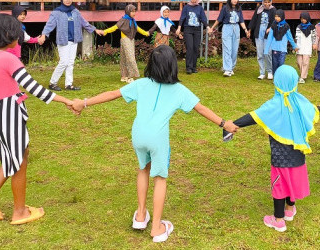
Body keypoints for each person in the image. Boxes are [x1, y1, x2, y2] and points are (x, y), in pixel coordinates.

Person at [71, 45, 238, 243]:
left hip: (138, 135)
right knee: (160, 177)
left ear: (151, 65)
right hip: (158, 139)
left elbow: (112, 94)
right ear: (172, 66)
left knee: (143, 169)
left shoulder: (140, 84)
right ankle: (157, 227)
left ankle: (141, 216)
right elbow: (201, 109)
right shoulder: (179, 90)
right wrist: (223, 123)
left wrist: (84, 102)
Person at [0, 14, 76, 225]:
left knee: (14, 157)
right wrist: (66, 100)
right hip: (10, 112)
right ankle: (18, 211)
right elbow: (34, 88)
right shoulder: (10, 59)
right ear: (9, 35)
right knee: (18, 161)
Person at [225, 65, 320, 232]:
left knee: (280, 184)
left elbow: (253, 117)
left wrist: (232, 124)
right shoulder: (301, 102)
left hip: (279, 157)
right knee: (293, 181)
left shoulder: (273, 105)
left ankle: (278, 220)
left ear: (276, 83)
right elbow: (317, 110)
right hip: (298, 155)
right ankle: (289, 210)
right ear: (295, 83)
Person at [38, 0, 105, 91]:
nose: (68, 0)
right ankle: (52, 83)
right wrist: (44, 35)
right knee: (63, 62)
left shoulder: (75, 11)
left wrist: (95, 30)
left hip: (74, 40)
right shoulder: (56, 12)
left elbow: (84, 23)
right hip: (63, 41)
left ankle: (68, 84)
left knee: (70, 62)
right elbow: (49, 25)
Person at [104, 4, 150, 82]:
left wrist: (145, 33)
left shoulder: (132, 21)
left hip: (130, 40)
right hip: (125, 40)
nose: (134, 13)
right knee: (130, 58)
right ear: (128, 11)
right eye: (132, 11)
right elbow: (115, 27)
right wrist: (105, 31)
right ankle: (130, 76)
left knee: (124, 58)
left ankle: (124, 76)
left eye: (135, 11)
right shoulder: (123, 20)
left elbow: (137, 28)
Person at [208, 0, 248, 77]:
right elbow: (219, 19)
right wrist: (212, 28)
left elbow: (241, 20)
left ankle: (231, 67)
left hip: (236, 28)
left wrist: (245, 29)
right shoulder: (225, 8)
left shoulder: (239, 8)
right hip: (227, 28)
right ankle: (227, 69)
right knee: (227, 49)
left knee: (234, 50)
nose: (235, 0)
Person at [175, 0, 208, 74]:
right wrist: (179, 28)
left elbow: (203, 19)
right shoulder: (186, 7)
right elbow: (182, 18)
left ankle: (194, 67)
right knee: (190, 48)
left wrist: (208, 27)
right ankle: (188, 68)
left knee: (195, 48)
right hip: (188, 29)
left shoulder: (200, 8)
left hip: (197, 30)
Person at [249, 0, 276, 80]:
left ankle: (270, 71)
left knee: (267, 53)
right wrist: (249, 30)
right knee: (260, 54)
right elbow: (254, 20)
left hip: (268, 34)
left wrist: (270, 28)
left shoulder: (273, 10)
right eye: (265, 2)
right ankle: (262, 72)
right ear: (262, 1)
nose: (267, 4)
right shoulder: (259, 9)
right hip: (259, 32)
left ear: (271, 2)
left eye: (268, 2)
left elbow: (275, 21)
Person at [264, 10, 298, 75]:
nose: (276, 18)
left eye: (278, 16)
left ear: (282, 16)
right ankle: (275, 78)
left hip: (282, 49)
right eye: (275, 16)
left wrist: (294, 46)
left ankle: (280, 77)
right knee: (275, 64)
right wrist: (266, 49)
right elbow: (269, 38)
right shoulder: (273, 25)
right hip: (275, 48)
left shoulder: (286, 26)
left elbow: (290, 37)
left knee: (281, 64)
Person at [295, 12, 315, 83]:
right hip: (300, 46)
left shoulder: (312, 27)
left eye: (304, 19)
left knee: (305, 62)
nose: (303, 20)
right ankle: (302, 73)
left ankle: (303, 77)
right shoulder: (298, 27)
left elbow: (314, 37)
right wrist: (295, 46)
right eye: (301, 19)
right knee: (299, 62)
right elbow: (297, 37)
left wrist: (314, 44)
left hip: (307, 46)